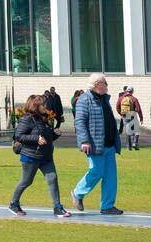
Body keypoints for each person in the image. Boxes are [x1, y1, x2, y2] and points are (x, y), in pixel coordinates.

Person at [9, 94, 71, 217]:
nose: (45, 106)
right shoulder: (27, 119)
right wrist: (36, 138)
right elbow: (19, 136)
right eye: (43, 104)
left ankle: (57, 207)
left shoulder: (44, 119)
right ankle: (14, 204)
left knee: (52, 179)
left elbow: (45, 138)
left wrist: (54, 134)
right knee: (26, 181)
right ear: (35, 106)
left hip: (46, 156)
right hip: (31, 156)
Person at [73, 73, 122, 215]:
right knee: (96, 171)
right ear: (97, 84)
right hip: (94, 145)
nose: (107, 85)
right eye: (104, 83)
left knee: (111, 177)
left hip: (109, 144)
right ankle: (77, 193)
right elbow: (79, 121)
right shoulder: (84, 99)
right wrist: (84, 140)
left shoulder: (104, 99)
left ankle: (107, 206)